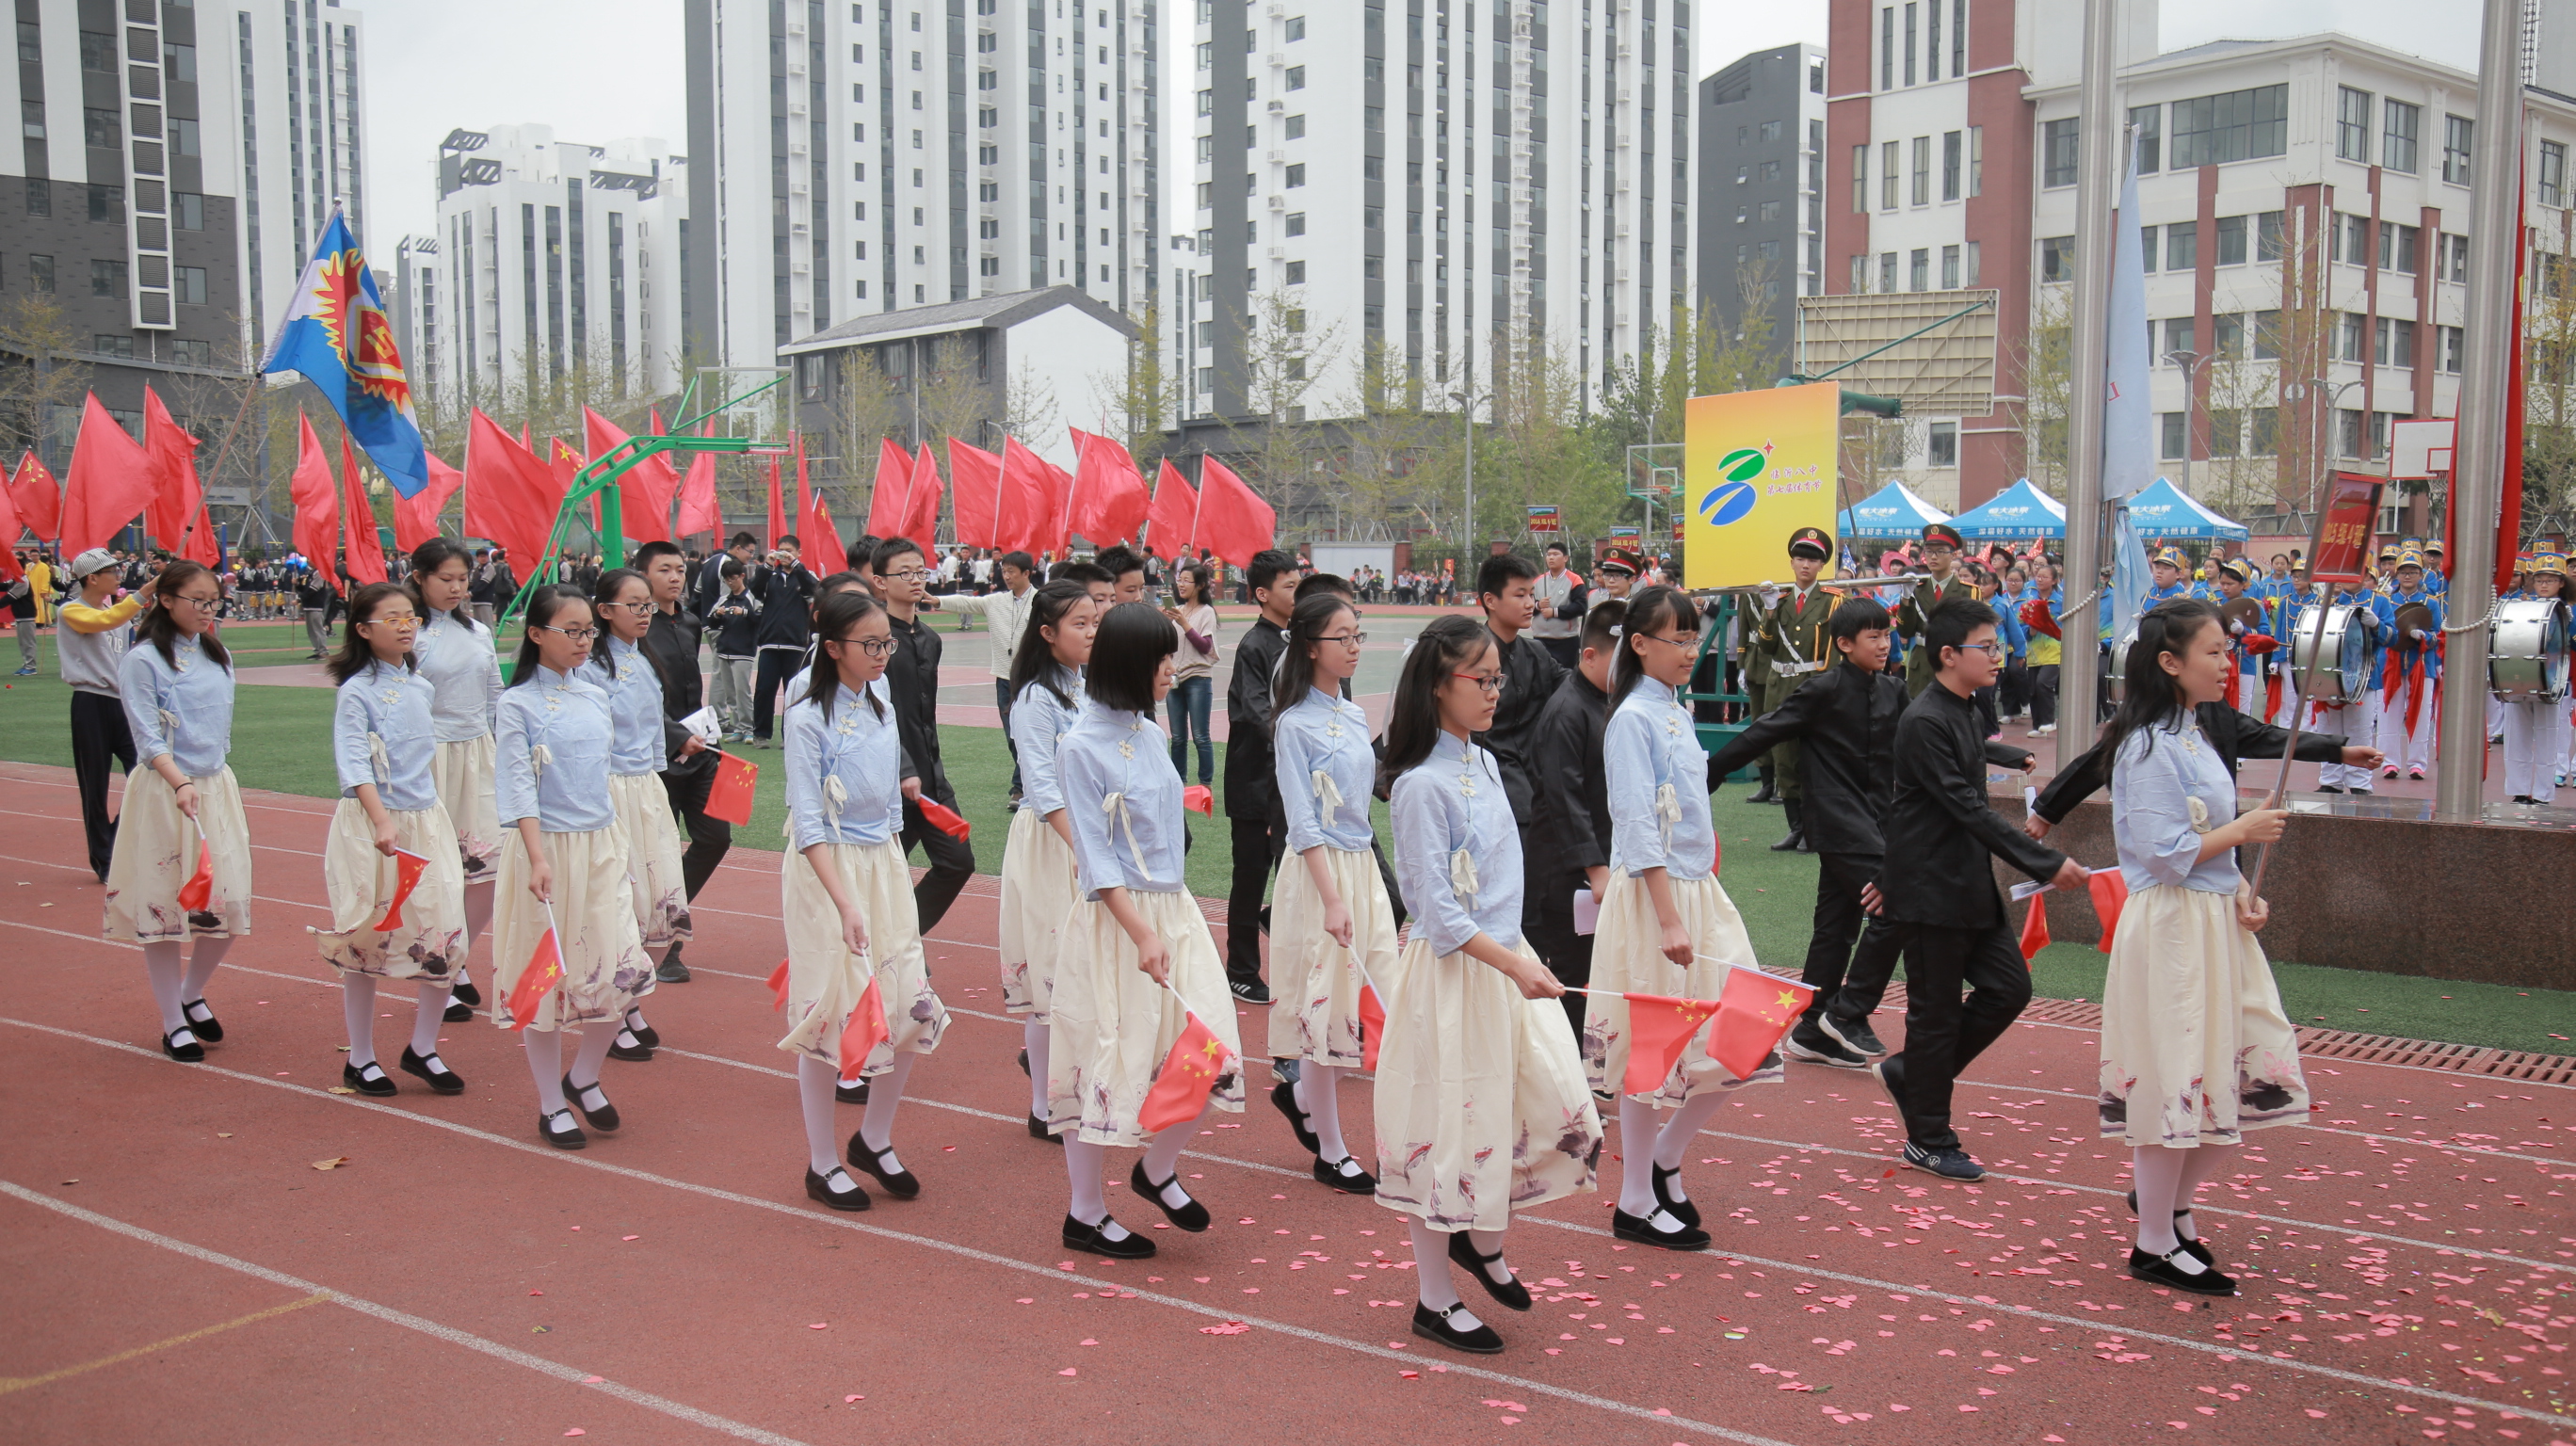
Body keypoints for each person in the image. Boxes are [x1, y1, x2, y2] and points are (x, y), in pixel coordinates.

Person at [1377, 615, 1602, 1355]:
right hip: (1457, 977)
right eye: (1482, 680)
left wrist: (1521, 955)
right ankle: (1433, 1299)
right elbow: (1437, 914)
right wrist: (1513, 965)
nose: (1495, 693)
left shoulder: (1481, 762)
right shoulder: (1418, 786)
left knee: (1550, 1111)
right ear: (1438, 685)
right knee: (1448, 1133)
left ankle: (1484, 1241)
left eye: (1497, 679)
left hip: (1507, 962)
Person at [2095, 601, 2309, 1297]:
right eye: (2214, 652)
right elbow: (2162, 855)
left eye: (2227, 650)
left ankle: (2173, 1215)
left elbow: (2205, 849)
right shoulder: (2149, 745)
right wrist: (2242, 832)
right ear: (2170, 662)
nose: (2227, 663)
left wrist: (2243, 891)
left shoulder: (2192, 736)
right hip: (2174, 931)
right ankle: (2152, 1240)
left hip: (2212, 922)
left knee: (2229, 1066)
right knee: (2173, 1075)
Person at [1048, 602, 1244, 1259]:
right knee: (1104, 1059)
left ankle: (1155, 1168)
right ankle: (1085, 1211)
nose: (1173, 668)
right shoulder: (1078, 745)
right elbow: (1095, 861)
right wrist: (1140, 932)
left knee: (1210, 1046)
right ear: (1130, 664)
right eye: (1163, 658)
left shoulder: (1151, 732)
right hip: (1118, 922)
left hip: (1171, 910)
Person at [1581, 586, 1773, 1251]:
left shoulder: (1675, 712)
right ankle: (1635, 1200)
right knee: (1651, 1050)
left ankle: (1663, 1156)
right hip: (1655, 898)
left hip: (1695, 890)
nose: (1691, 651)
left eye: (1694, 638)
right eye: (1677, 639)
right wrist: (1667, 917)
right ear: (1639, 644)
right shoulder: (1632, 717)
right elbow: (1635, 822)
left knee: (1750, 1031)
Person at [1867, 599, 2085, 1181]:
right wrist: (2044, 860)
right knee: (1934, 1015)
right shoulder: (1924, 719)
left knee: (2008, 989)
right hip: (1930, 888)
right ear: (1947, 655)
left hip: (1968, 883)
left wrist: (2007, 753)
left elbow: (1965, 776)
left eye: (1997, 645)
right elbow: (1961, 807)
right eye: (1986, 647)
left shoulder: (1965, 709)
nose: (1999, 655)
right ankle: (1929, 1135)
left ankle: (1913, 1074)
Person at [1704, 595, 1956, 1071]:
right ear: (1844, 644)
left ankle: (1812, 1026)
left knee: (1836, 929)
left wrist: (2002, 757)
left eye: (1887, 635)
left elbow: (1925, 742)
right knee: (1896, 904)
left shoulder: (1894, 690)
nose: (1885, 644)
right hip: (1839, 822)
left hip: (1879, 822)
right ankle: (1846, 1012)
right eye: (1873, 637)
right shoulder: (1821, 689)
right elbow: (1767, 729)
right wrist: (1709, 773)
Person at [781, 588, 952, 1210]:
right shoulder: (805, 717)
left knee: (912, 1004)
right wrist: (845, 903)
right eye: (870, 645)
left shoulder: (879, 698)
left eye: (887, 644)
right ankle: (822, 1162)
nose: (883, 655)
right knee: (832, 1012)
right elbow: (808, 822)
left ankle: (873, 1139)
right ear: (833, 649)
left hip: (882, 862)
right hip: (829, 873)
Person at [491, 586, 655, 1149]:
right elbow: (518, 787)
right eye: (573, 631)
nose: (585, 641)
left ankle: (583, 1075)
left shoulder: (594, 694)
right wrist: (537, 857)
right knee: (545, 979)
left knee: (622, 970)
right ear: (537, 634)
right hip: (548, 853)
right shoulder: (516, 705)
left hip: (602, 845)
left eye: (590, 631)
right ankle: (549, 1103)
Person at [314, 582, 471, 1097]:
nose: (407, 625)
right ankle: (359, 1058)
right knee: (367, 937)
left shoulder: (421, 687)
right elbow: (354, 762)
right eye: (393, 618)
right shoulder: (356, 691)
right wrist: (382, 819)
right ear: (363, 629)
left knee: (444, 934)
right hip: (372, 826)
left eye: (411, 617)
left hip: (426, 822)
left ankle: (422, 1047)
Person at [1265, 591, 1393, 1196]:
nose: (1354, 648)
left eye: (1358, 635)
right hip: (1319, 876)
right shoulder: (1294, 723)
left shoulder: (1356, 714)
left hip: (1360, 867)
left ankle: (1300, 1099)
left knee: (1372, 997)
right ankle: (1332, 1149)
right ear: (1311, 646)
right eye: (1343, 637)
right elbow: (1302, 819)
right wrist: (1332, 898)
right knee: (1327, 1008)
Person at [104, 560, 247, 1063]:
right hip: (166, 792)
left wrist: (207, 779)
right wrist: (179, 780)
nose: (209, 610)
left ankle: (191, 992)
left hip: (214, 788)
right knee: (164, 909)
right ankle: (172, 1023)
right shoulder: (143, 660)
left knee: (226, 906)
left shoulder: (217, 652)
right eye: (199, 601)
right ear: (166, 600)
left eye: (215, 601)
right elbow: (145, 734)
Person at [997, 581, 1098, 1139]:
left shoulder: (1089, 688)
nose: (1090, 632)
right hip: (1052, 845)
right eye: (1079, 624)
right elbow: (1041, 788)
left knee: (1083, 970)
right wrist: (1082, 849)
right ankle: (1043, 1104)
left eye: (1094, 622)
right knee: (1050, 976)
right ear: (1047, 633)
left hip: (1088, 842)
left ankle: (1076, 1085)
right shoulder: (1036, 699)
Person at [589, 569, 698, 1057]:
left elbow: (655, 730)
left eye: (645, 605)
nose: (642, 613)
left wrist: (658, 779)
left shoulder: (645, 661)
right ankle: (615, 1013)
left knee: (655, 897)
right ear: (604, 609)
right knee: (621, 900)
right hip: (609, 790)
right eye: (631, 604)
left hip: (646, 790)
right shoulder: (591, 667)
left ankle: (629, 1003)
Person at [407, 539, 507, 1022]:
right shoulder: (409, 633)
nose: (455, 587)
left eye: (462, 579)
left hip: (478, 755)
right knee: (437, 873)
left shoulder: (478, 632)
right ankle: (436, 968)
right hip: (428, 760)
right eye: (445, 578)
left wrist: (505, 748)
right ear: (420, 577)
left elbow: (495, 694)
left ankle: (456, 957)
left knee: (487, 868)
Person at [867, 536, 976, 932]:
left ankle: (902, 939)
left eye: (921, 571)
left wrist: (929, 769)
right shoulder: (873, 640)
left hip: (931, 777)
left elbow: (925, 714)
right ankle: (877, 951)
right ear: (880, 582)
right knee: (878, 878)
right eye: (905, 573)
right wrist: (902, 768)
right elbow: (875, 712)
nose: (916, 580)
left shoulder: (930, 638)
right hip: (889, 779)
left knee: (958, 862)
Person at [1525, 599, 1623, 1035]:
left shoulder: (1609, 700)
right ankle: (1570, 1085)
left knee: (1597, 975)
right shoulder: (1568, 711)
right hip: (1567, 875)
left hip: (1596, 864)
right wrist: (1596, 869)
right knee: (1571, 981)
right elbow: (1566, 800)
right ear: (1589, 656)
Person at [634, 540, 729, 984]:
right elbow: (637, 700)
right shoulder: (634, 631)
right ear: (643, 575)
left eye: (679, 569)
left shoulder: (690, 621)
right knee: (658, 851)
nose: (675, 577)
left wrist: (706, 737)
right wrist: (676, 737)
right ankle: (662, 946)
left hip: (701, 751)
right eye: (664, 570)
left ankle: (668, 924)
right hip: (657, 757)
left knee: (715, 837)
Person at [1220, 548, 1301, 1004]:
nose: (1298, 593)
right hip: (1255, 780)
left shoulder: (1300, 639)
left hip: (1287, 781)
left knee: (1290, 871)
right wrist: (1296, 742)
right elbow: (1255, 711)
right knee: (1250, 875)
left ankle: (1274, 927)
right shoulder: (1256, 645)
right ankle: (1241, 969)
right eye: (1290, 586)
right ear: (1263, 594)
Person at [59, 550, 150, 881]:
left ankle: (116, 839)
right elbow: (102, 622)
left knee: (146, 773)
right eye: (112, 570)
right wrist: (146, 592)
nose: (118, 575)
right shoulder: (71, 611)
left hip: (122, 704)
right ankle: (105, 861)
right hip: (90, 703)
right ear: (92, 578)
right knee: (94, 787)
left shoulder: (119, 614)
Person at [1757, 527, 1842, 852]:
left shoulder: (1833, 600)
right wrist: (1768, 611)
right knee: (1785, 759)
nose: (1806, 565)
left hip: (1814, 686)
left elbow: (1836, 650)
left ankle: (1814, 830)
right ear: (1791, 562)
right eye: (1801, 558)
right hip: (1780, 687)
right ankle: (1796, 828)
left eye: (1813, 560)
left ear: (1822, 566)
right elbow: (1767, 648)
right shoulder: (1778, 600)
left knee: (1814, 760)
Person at [939, 549, 1038, 797]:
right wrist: (936, 600)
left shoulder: (1042, 601)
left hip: (1034, 679)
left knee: (1030, 733)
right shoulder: (996, 601)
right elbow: (967, 603)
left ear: (1027, 573)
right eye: (1003, 571)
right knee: (1012, 735)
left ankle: (1021, 786)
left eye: (1011, 572)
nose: (1006, 576)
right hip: (1005, 679)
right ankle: (1026, 781)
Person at [2501, 552, 2568, 804]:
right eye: (2540, 579)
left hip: (2552, 681)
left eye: (2551, 580)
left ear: (2561, 583)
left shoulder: (2568, 611)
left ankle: (2542, 794)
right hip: (2519, 677)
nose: (2544, 584)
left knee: (2547, 737)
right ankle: (2518, 790)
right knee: (2517, 735)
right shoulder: (2521, 605)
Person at [2376, 548, 2444, 781]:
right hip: (2390, 664)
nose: (2407, 576)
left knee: (2422, 714)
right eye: (2404, 571)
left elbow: (2438, 635)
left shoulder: (2430, 602)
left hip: (2420, 664)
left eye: (2413, 571)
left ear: (2420, 574)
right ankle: (2389, 762)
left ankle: (2417, 763)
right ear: (2396, 574)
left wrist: (2425, 636)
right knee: (2389, 714)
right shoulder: (2385, 600)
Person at [749, 537, 818, 746]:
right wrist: (767, 565)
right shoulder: (770, 575)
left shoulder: (804, 575)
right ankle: (761, 733)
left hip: (796, 643)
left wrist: (797, 567)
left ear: (799, 553)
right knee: (764, 689)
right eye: (780, 551)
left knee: (794, 692)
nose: (784, 555)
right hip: (770, 642)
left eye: (788, 551)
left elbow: (815, 589)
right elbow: (755, 590)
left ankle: (789, 733)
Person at [1894, 524, 1976, 698]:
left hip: (1954, 660)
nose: (1933, 557)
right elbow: (1905, 630)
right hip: (1923, 661)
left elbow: (1973, 632)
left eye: (1940, 551)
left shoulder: (1968, 592)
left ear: (1953, 555)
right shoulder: (1917, 589)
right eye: (1929, 551)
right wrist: (1906, 597)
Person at [1164, 562, 1219, 785]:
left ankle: (1204, 784)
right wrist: (1166, 623)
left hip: (1198, 678)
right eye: (1180, 579)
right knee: (1177, 738)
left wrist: (1184, 623)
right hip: (1174, 679)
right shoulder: (1178, 610)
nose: (1181, 584)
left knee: (1200, 736)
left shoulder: (1206, 612)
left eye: (1187, 580)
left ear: (1200, 585)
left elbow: (1205, 646)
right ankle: (1179, 781)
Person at [705, 559, 762, 742]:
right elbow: (710, 622)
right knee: (730, 693)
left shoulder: (752, 597)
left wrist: (744, 613)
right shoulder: (724, 599)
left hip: (743, 651)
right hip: (724, 650)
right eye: (727, 580)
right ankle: (738, 728)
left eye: (733, 578)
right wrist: (717, 615)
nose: (730, 582)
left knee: (742, 691)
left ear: (742, 576)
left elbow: (760, 620)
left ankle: (749, 728)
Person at [1529, 541, 1587, 670]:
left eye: (1555, 554)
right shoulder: (1538, 581)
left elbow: (1580, 606)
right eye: (1548, 554)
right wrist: (1538, 605)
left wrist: (1555, 612)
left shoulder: (1574, 580)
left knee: (1565, 674)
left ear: (1565, 558)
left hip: (1565, 639)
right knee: (1541, 673)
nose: (1551, 557)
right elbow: (1526, 605)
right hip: (1540, 638)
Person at [2021, 560, 2065, 735]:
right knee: (2033, 688)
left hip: (2054, 650)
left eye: (2045, 577)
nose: (2040, 580)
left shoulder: (2062, 602)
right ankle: (2037, 725)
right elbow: (2021, 625)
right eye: (2038, 576)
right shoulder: (2030, 602)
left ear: (2054, 580)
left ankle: (2049, 721)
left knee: (2043, 684)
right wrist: (2030, 629)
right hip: (2034, 651)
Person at [297, 563, 338, 659]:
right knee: (311, 630)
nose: (309, 561)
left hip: (316, 604)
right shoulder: (311, 573)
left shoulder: (319, 573)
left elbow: (313, 589)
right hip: (309, 605)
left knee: (318, 628)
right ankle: (317, 649)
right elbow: (306, 589)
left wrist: (300, 599)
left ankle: (323, 651)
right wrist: (298, 584)